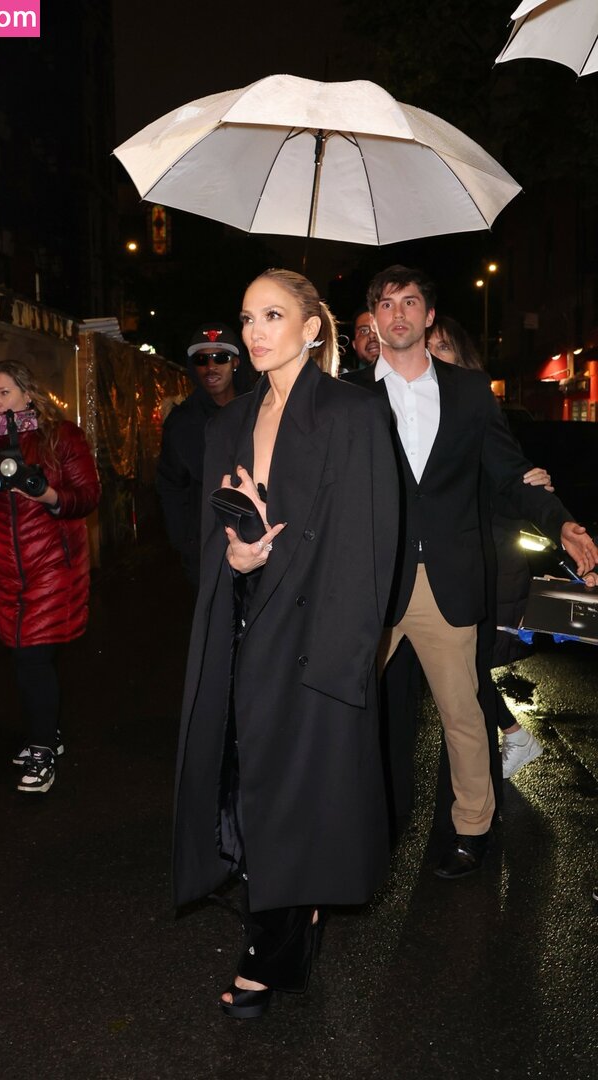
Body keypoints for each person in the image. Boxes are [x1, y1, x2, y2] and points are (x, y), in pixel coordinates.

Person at [173, 268, 399, 1018]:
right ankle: (289, 925)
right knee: (247, 784)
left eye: (273, 315)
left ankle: (269, 953)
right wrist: (237, 555)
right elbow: (219, 539)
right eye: (247, 318)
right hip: (244, 621)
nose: (255, 332)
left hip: (314, 633)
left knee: (290, 793)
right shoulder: (229, 422)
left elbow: (370, 548)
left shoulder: (352, 413)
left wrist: (341, 665)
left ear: (312, 327)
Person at [352, 265, 598, 879]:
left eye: (411, 302)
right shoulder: (350, 397)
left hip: (449, 579)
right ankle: (346, 829)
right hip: (372, 582)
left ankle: (472, 829)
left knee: (464, 713)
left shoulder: (468, 392)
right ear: (374, 319)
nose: (399, 313)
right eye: (387, 304)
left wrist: (562, 522)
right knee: (346, 708)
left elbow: (510, 474)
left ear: (430, 315)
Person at [0, 360, 100, 794]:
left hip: (53, 566)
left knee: (32, 657)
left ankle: (42, 749)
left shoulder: (62, 436)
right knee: (24, 656)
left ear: (28, 393)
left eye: (5, 393)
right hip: (4, 570)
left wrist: (48, 494)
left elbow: (87, 495)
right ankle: (47, 733)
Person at [427, 314, 544, 779]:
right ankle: (512, 740)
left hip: (487, 556)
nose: (434, 356)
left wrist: (531, 482)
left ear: (463, 358)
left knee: (465, 664)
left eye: (443, 347)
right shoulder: (422, 410)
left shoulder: (474, 408)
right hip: (458, 557)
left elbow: (506, 475)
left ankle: (514, 739)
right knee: (456, 665)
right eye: (428, 347)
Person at [156, 321, 246, 588]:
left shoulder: (258, 411)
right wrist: (186, 542)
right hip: (205, 552)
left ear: (235, 362)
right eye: (201, 359)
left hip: (257, 544)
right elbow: (170, 485)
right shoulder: (182, 422)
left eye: (220, 358)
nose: (211, 366)